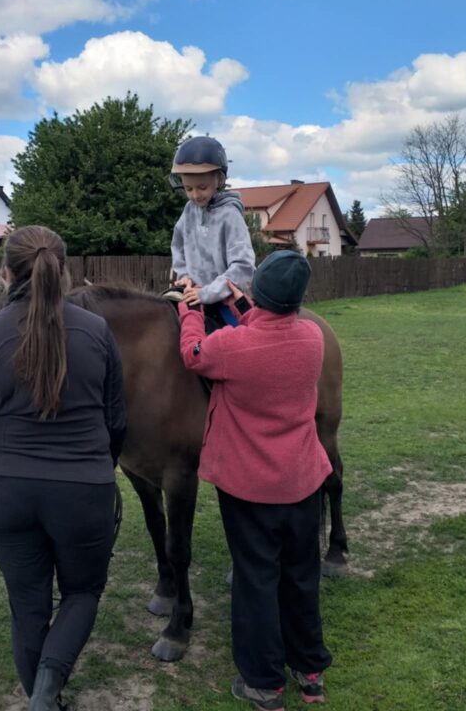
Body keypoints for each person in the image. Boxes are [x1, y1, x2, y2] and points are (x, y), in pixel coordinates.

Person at [0, 225, 127, 711]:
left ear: (5, 273)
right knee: (83, 593)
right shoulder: (97, 333)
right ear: (63, 271)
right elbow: (116, 422)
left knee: (27, 610)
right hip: (84, 491)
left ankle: (43, 699)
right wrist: (98, 474)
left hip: (8, 497)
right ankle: (47, 691)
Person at [177, 250, 333, 710]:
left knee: (256, 580)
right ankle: (310, 670)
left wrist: (189, 311)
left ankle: (263, 684)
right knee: (301, 575)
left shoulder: (230, 347)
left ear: (259, 291)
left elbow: (193, 354)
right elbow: (268, 333)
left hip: (250, 489)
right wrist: (244, 305)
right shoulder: (312, 337)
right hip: (304, 480)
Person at [169, 135, 256, 330]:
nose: (195, 195)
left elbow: (243, 266)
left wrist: (207, 293)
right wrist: (184, 275)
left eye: (202, 187)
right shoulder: (189, 210)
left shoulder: (230, 215)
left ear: (219, 180)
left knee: (241, 341)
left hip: (227, 297)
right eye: (188, 188)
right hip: (192, 291)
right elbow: (178, 244)